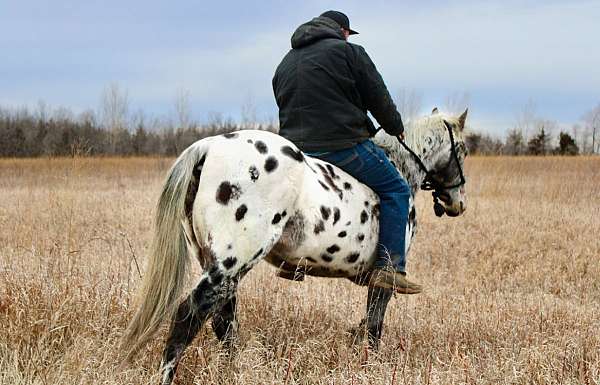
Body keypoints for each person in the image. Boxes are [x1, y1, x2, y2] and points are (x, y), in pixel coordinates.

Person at [272, 10, 422, 294]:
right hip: (342, 146)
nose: (347, 37)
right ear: (343, 31)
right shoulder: (349, 53)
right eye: (347, 33)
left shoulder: (286, 62)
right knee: (397, 190)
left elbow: (284, 102)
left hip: (297, 153)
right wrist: (395, 126)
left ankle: (293, 259)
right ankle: (389, 268)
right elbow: (377, 94)